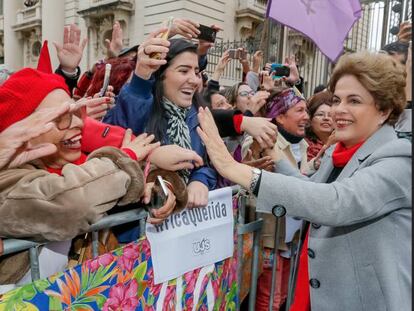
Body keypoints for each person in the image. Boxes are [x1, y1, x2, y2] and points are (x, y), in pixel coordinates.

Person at [196, 51, 411, 310]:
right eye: (336, 100)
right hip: (314, 294)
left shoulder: (398, 158)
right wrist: (275, 155)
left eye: (354, 101)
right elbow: (309, 188)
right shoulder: (336, 152)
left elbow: (335, 202)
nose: (338, 110)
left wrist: (233, 169)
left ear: (384, 110)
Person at [0, 67, 177, 291]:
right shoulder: (6, 179)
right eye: (61, 118)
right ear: (21, 133)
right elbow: (72, 200)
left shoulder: (79, 164)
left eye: (77, 113)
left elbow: (115, 179)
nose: (78, 124)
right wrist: (126, 158)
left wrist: (157, 190)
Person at [305, 90, 335, 170]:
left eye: (330, 115)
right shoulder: (303, 145)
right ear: (310, 119)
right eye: (320, 114)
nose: (326, 118)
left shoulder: (341, 145)